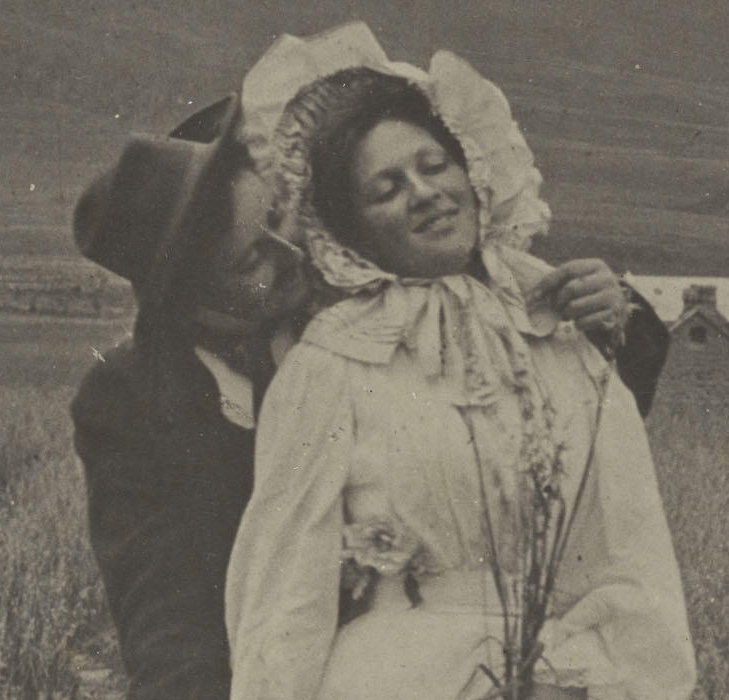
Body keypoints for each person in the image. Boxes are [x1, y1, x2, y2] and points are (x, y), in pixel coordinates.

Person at [69, 92, 669, 699]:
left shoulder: (385, 301)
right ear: (190, 299)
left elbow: (536, 431)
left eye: (279, 219)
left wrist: (617, 314)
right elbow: (166, 610)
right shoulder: (135, 400)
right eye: (252, 258)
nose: (292, 253)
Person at [224, 24, 695, 700]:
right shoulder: (332, 361)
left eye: (432, 164)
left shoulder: (560, 330)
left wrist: (585, 677)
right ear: (347, 229)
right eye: (385, 189)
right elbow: (285, 585)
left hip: (564, 678)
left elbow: (630, 553)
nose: (423, 193)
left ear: (472, 169)